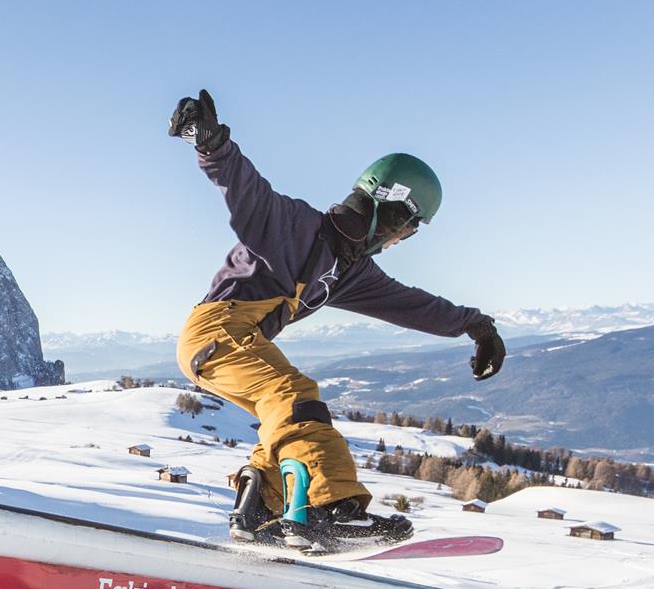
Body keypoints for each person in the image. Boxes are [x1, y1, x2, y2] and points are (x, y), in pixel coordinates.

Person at [167, 88, 506, 552]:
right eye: (410, 228)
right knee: (293, 395)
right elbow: (245, 189)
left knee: (281, 416)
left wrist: (476, 326)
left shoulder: (349, 270)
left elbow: (410, 304)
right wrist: (210, 143)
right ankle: (333, 509)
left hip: (233, 340)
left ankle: (260, 507)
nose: (402, 240)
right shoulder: (293, 225)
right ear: (393, 211)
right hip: (217, 330)